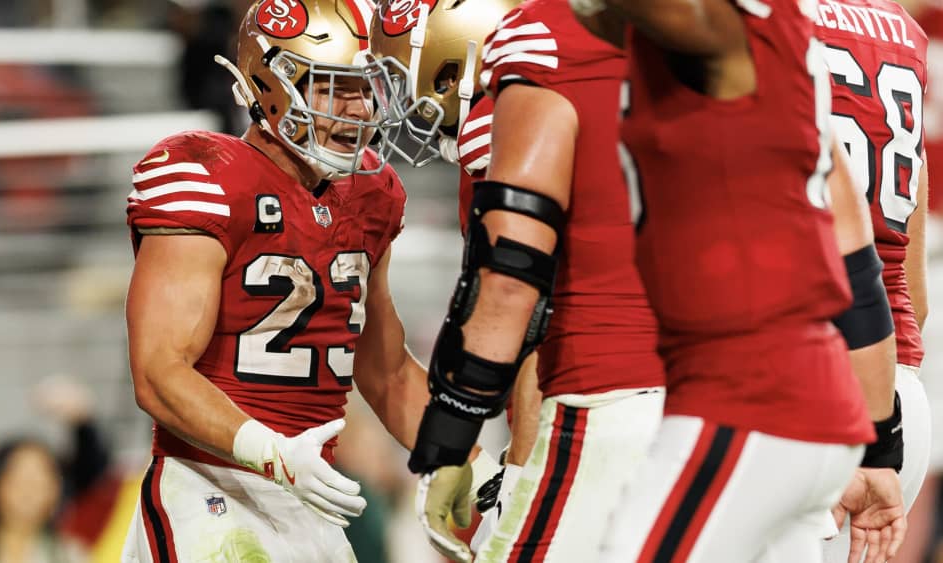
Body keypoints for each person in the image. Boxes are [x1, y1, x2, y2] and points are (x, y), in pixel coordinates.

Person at [565, 0, 907, 561]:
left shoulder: (734, 27)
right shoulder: (753, 47)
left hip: (752, 395)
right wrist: (877, 442)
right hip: (806, 399)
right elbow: (854, 258)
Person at [122, 1, 436, 560]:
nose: (356, 109)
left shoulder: (372, 195)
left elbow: (385, 370)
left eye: (364, 89)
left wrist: (461, 463)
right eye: (331, 88)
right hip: (213, 488)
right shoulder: (206, 175)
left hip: (313, 502)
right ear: (270, 84)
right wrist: (268, 450)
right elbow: (158, 371)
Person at [393, 0, 667, 561]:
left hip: (608, 397)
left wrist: (470, 452)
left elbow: (524, 300)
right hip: (760, 406)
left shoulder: (535, 58)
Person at [368, 1, 544, 559]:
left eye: (402, 75)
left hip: (605, 412)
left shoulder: (511, 128)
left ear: (451, 64)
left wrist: (520, 472)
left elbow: (540, 316)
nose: (392, 104)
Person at [814, 1, 932, 560]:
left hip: (792, 386)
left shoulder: (750, 19)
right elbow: (914, 290)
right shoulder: (903, 31)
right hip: (895, 387)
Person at [0, 438, 85, 563]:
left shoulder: (71, 556)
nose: (28, 490)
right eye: (19, 479)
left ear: (55, 491)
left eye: (38, 481)